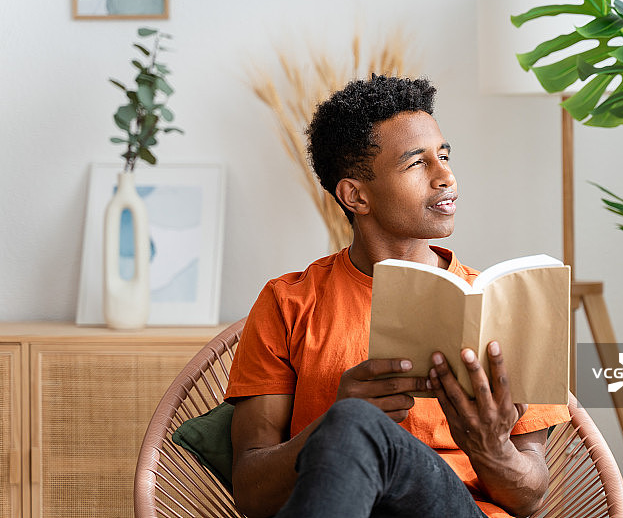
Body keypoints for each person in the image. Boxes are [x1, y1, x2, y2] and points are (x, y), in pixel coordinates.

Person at [224, 75, 570, 518]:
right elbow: (252, 495)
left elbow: (530, 496)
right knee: (353, 422)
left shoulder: (508, 304)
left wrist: (490, 446)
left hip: (457, 510)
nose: (445, 176)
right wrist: (334, 422)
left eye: (444, 156)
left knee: (355, 424)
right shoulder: (287, 303)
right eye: (417, 163)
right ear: (356, 195)